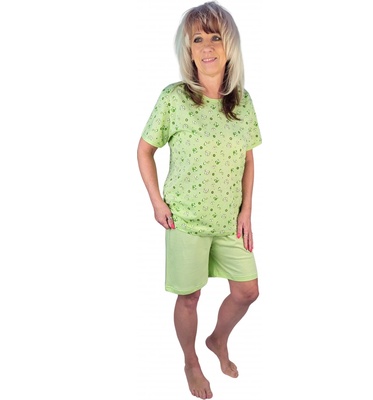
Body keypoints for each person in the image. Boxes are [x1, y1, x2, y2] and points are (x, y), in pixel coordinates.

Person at [137, 2, 262, 398]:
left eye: (215, 37)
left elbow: (248, 159)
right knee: (189, 296)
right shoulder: (174, 99)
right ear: (188, 51)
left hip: (228, 220)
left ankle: (217, 340)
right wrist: (157, 203)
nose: (207, 46)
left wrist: (246, 211)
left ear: (229, 47)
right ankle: (190, 361)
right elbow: (144, 150)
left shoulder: (242, 101)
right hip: (186, 219)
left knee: (247, 291)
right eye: (197, 39)